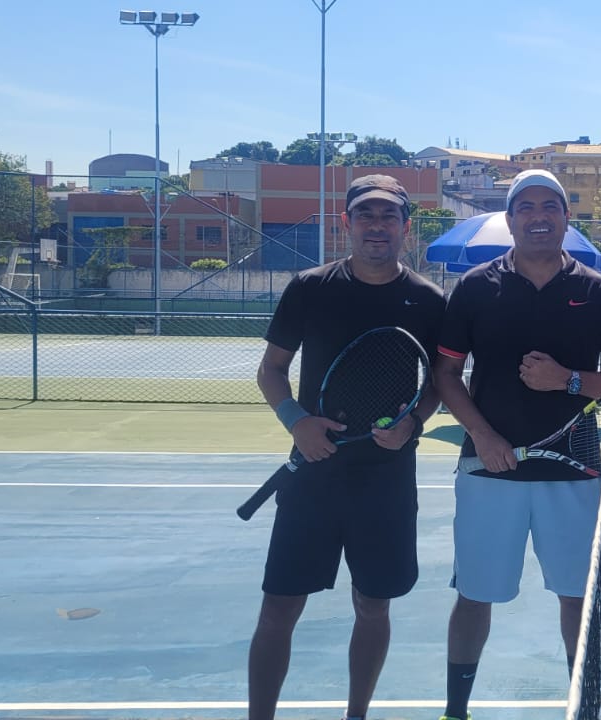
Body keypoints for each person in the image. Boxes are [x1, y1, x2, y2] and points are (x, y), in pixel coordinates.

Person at [430, 169, 601, 720]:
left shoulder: (597, 291)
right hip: (488, 470)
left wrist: (568, 381)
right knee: (474, 595)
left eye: (551, 207)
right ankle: (456, 711)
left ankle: (582, 707)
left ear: (567, 219)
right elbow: (446, 375)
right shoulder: (475, 287)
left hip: (574, 470)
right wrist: (483, 436)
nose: (539, 216)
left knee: (578, 598)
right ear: (510, 218)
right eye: (526, 207)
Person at [249, 174, 445, 720]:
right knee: (279, 608)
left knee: (373, 605)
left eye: (388, 217)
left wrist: (413, 425)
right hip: (313, 476)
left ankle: (355, 715)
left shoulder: (428, 300)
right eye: (366, 216)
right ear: (346, 224)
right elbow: (271, 371)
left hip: (385, 481)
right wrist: (297, 423)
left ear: (405, 227)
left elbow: (439, 383)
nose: (377, 226)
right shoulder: (310, 288)